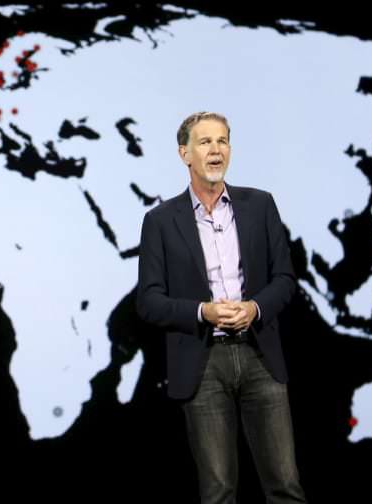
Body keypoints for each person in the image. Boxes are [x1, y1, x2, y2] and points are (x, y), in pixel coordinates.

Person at [136, 111, 307, 503]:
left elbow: (284, 279)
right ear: (185, 154)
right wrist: (203, 312)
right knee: (218, 492)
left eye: (223, 141)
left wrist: (255, 309)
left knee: (285, 484)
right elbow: (148, 301)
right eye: (205, 142)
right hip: (202, 362)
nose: (216, 150)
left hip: (259, 353)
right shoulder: (160, 221)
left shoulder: (261, 205)